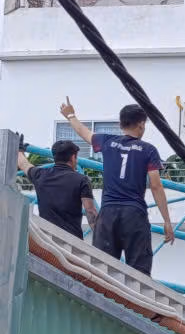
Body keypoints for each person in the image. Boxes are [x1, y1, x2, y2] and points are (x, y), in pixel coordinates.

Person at [60, 98, 173, 275]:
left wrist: (70, 115)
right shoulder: (148, 150)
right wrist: (166, 220)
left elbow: (83, 132)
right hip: (134, 214)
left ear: (120, 124)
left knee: (102, 270)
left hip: (108, 213)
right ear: (141, 124)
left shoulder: (107, 141)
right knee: (139, 272)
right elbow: (156, 185)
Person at [16, 139, 97, 239]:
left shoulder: (40, 175)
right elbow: (90, 211)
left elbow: (23, 164)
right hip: (72, 241)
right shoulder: (82, 180)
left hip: (46, 239)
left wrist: (20, 149)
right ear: (73, 157)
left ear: (55, 157)